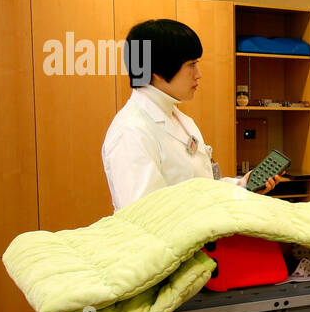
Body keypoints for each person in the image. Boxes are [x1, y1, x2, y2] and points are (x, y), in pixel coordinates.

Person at [102, 18, 283, 210]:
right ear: (158, 71)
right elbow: (145, 213)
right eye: (191, 64)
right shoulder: (131, 131)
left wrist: (241, 186)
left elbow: (201, 187)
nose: (198, 74)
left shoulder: (180, 120)